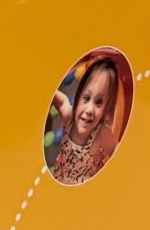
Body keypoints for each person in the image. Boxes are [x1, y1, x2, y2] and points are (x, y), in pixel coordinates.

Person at [48, 53, 125, 184]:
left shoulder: (101, 134)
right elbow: (61, 101)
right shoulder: (70, 116)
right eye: (86, 98)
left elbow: (120, 155)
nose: (89, 110)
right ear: (78, 96)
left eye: (99, 102)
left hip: (86, 196)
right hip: (60, 187)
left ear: (107, 109)